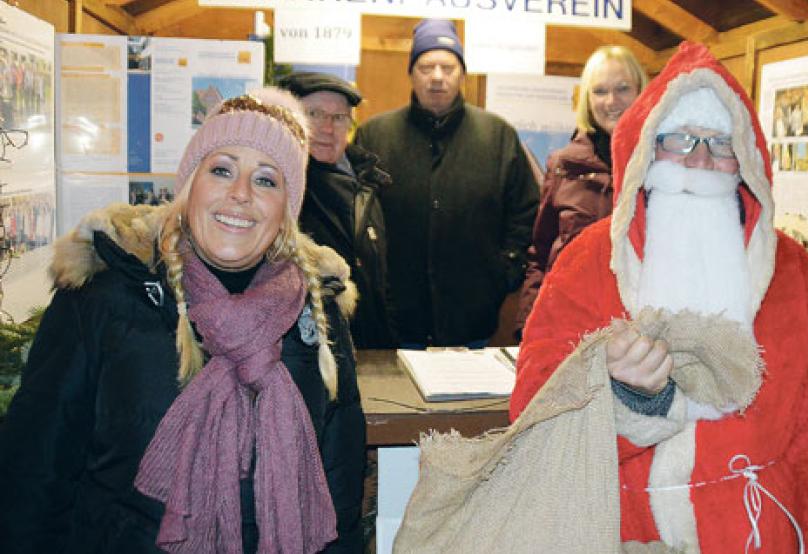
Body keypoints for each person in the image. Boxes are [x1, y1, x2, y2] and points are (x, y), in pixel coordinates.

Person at [509, 42, 808, 552]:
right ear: (646, 149)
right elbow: (534, 416)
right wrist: (625, 399)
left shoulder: (797, 277)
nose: (699, 160)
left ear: (745, 156)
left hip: (754, 534)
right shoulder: (587, 264)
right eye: (679, 140)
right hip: (618, 530)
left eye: (720, 143)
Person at [0, 88, 366, 553]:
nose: (241, 194)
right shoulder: (103, 297)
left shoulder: (316, 311)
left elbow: (338, 493)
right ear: (191, 182)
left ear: (287, 208)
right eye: (222, 170)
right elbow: (33, 480)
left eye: (266, 180)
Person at [354, 18, 540, 348]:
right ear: (411, 74)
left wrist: (504, 273)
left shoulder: (498, 136)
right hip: (393, 325)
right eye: (426, 67)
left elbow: (525, 212)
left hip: (472, 323)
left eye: (448, 67)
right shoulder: (374, 136)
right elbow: (356, 215)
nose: (437, 77)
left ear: (462, 75)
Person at [514, 45, 647, 338]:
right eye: (599, 91)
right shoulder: (563, 165)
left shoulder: (661, 163)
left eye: (622, 88)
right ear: (587, 99)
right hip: (568, 326)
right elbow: (540, 255)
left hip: (640, 332)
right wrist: (529, 327)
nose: (611, 101)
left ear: (641, 91)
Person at [280, 71, 397, 348]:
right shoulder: (280, 188)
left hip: (368, 350)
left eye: (339, 117)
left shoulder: (367, 183)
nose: (327, 128)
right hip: (310, 353)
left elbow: (381, 281)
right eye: (314, 114)